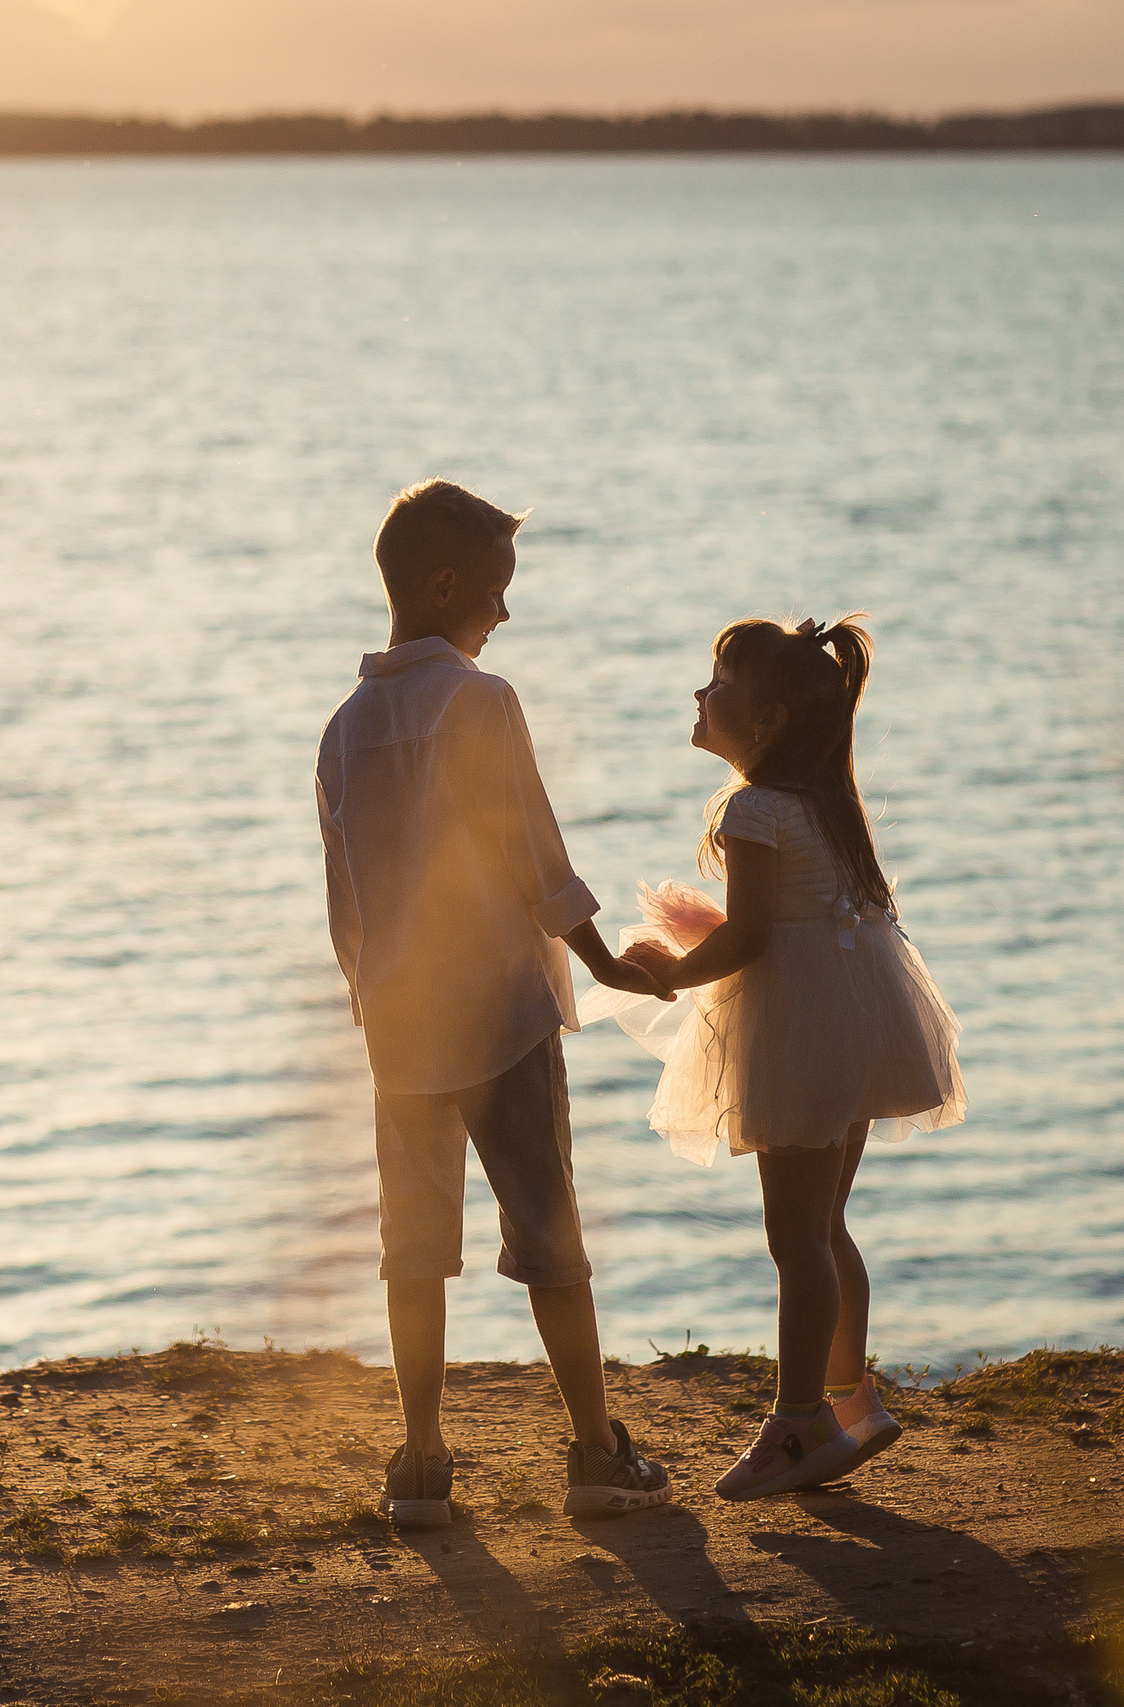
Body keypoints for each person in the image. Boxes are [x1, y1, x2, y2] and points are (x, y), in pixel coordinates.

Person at [316, 478, 676, 1528]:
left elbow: (345, 897)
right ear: (444, 586)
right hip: (503, 1015)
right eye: (495, 592)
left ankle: (421, 1462)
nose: (504, 614)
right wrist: (604, 961)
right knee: (550, 1231)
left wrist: (365, 999)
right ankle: (593, 1455)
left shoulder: (342, 729)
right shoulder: (482, 700)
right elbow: (532, 851)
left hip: (398, 1023)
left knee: (411, 1244)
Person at [617, 615, 965, 1500]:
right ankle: (852, 1399)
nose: (702, 694)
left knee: (793, 1236)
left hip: (802, 1027)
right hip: (855, 1015)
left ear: (765, 721)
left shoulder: (752, 807)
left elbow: (753, 936)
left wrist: (670, 975)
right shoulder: (821, 802)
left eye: (719, 681)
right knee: (825, 1225)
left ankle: (800, 1419)